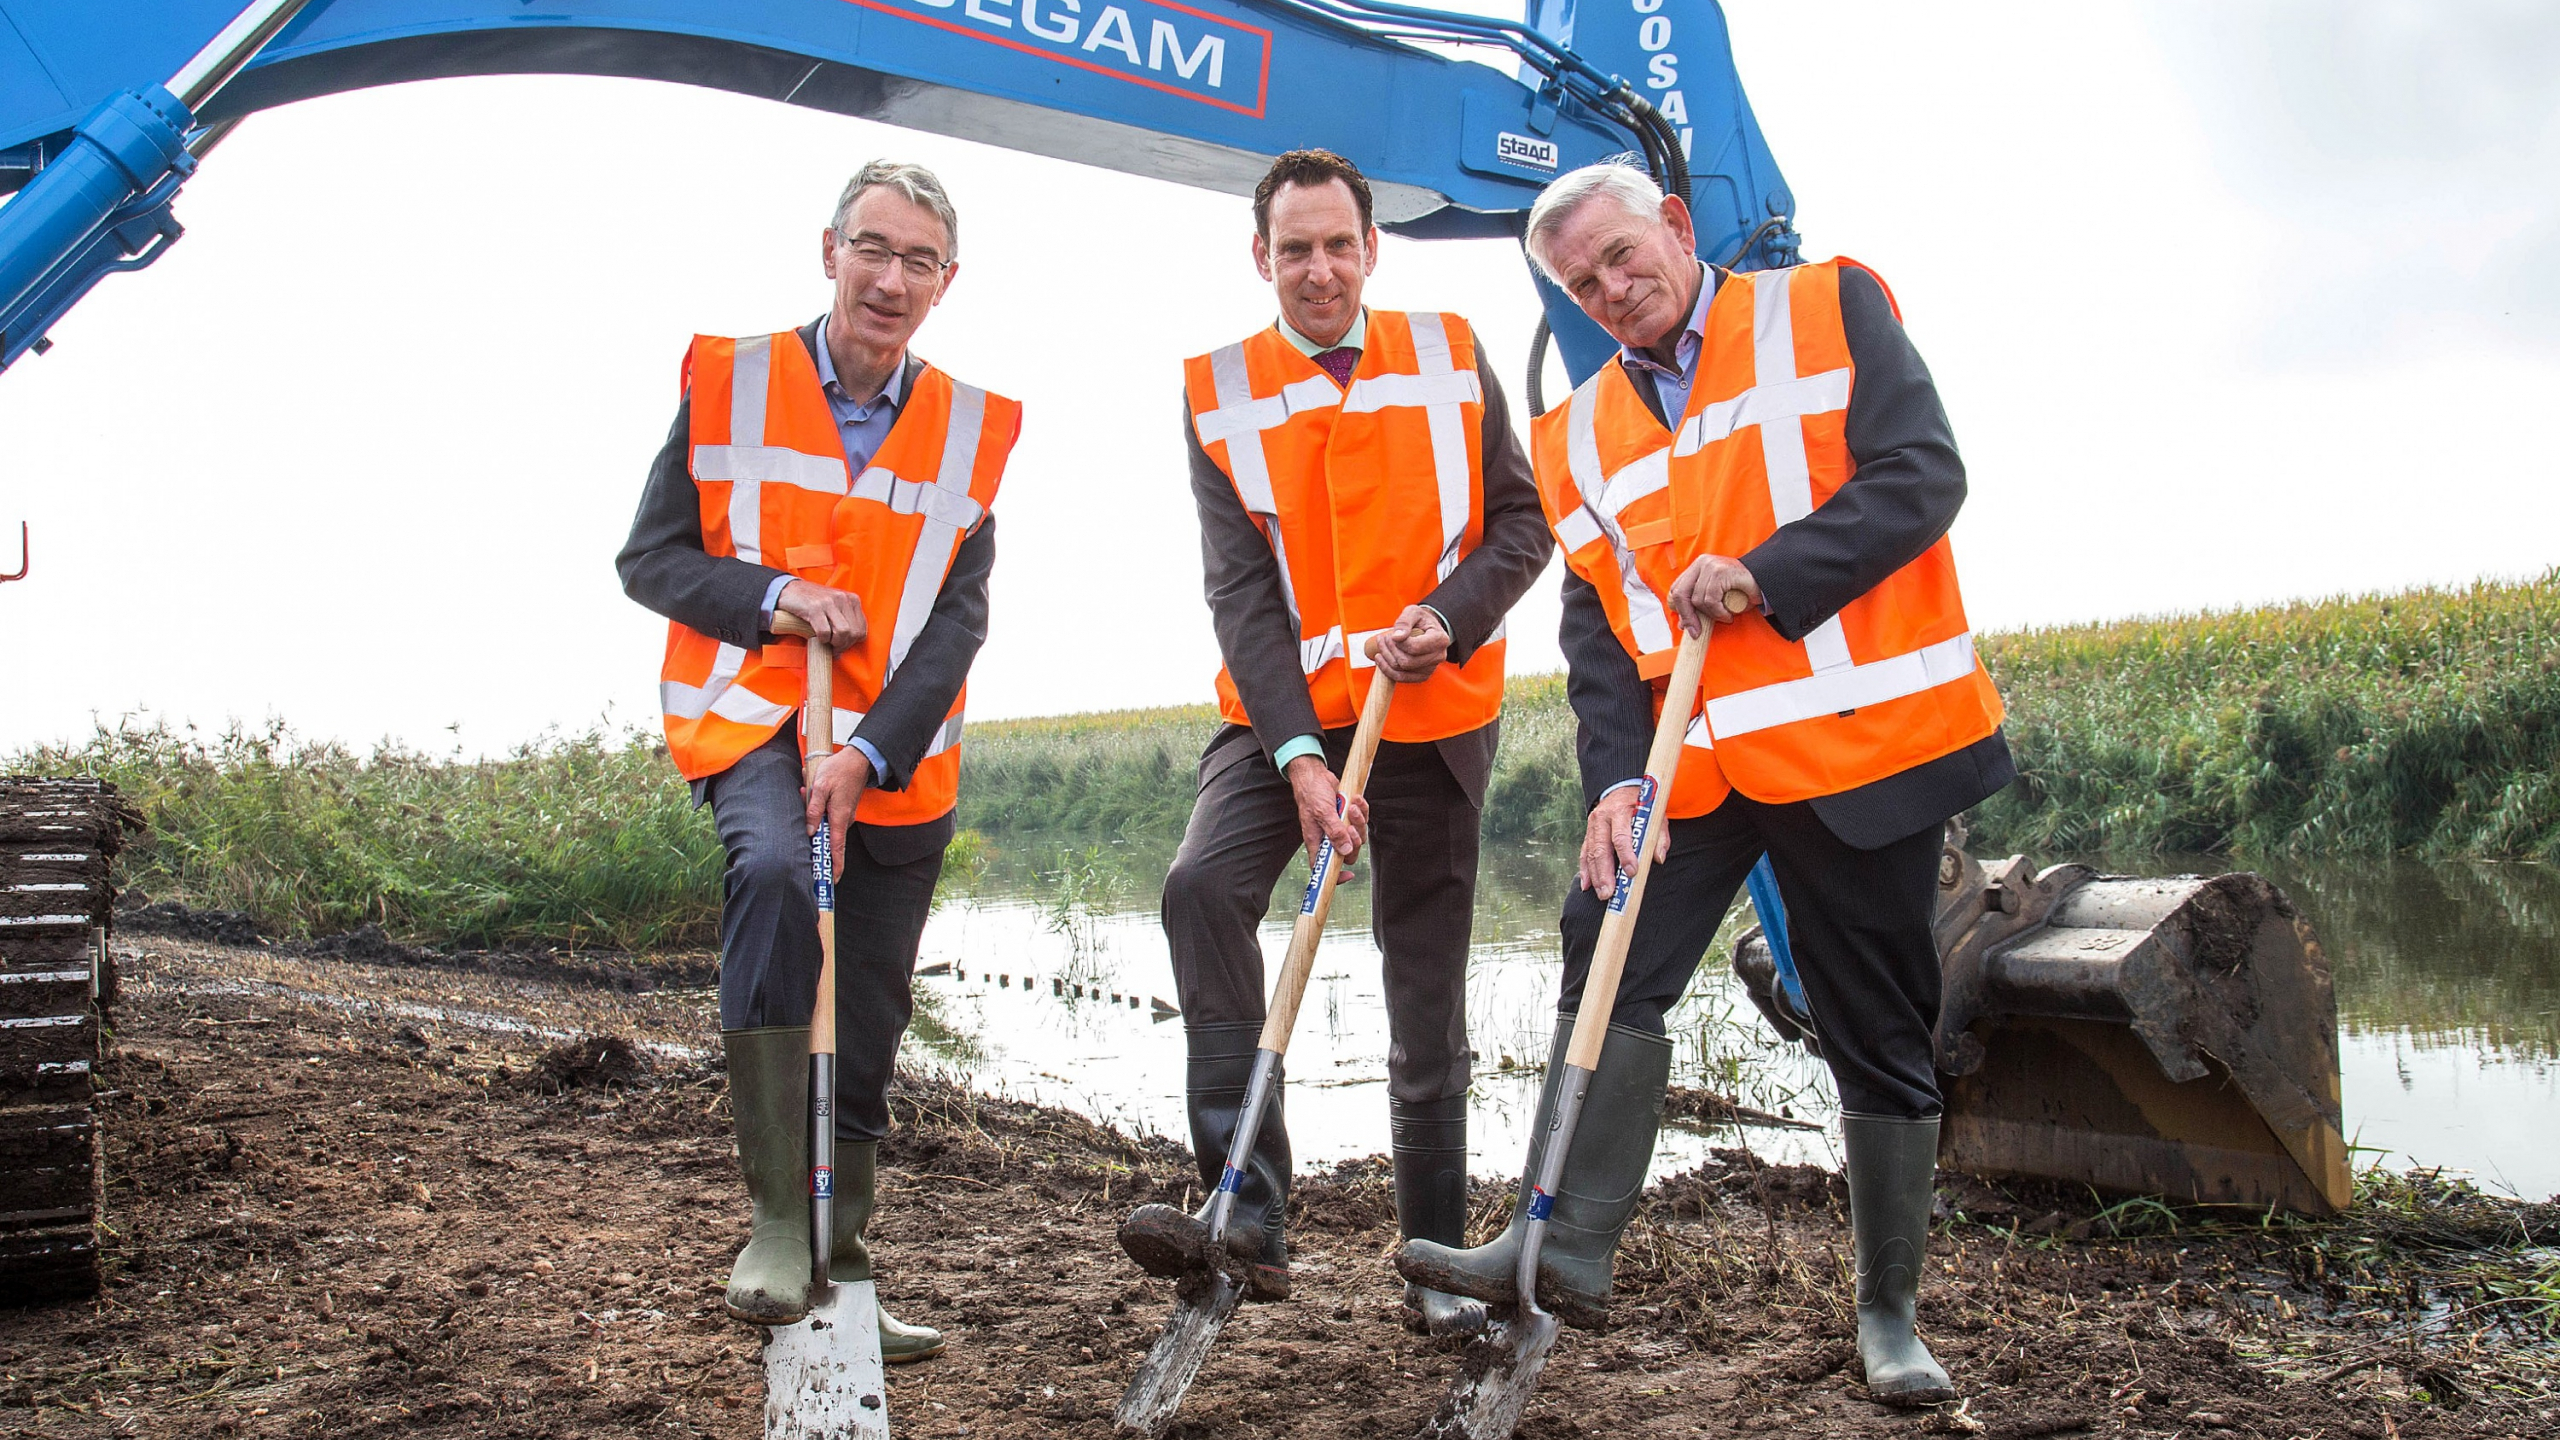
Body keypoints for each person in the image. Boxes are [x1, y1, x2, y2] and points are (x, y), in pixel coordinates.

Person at [1395, 161, 2013, 1407]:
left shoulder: (1830, 308)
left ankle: (1887, 1314)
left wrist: (1768, 572)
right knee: (1603, 951)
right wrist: (1616, 780)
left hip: (1857, 745)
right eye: (1580, 282)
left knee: (1875, 1024)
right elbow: (1597, 628)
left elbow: (1921, 475)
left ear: (1676, 227)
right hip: (1691, 761)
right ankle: (1559, 1238)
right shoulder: (1573, 433)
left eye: (1624, 258)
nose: (1611, 290)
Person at [1116, 149, 1553, 1339]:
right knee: (1200, 888)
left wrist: (1446, 617)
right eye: (1293, 248)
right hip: (1285, 722)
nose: (1318, 268)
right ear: (1261, 257)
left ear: (1373, 248)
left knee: (1426, 987)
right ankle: (1247, 1210)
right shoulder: (1216, 389)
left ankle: (1430, 1264)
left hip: (1434, 717)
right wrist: (1300, 758)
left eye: (1337, 243)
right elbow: (1242, 598)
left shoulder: (1452, 352)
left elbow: (1523, 527)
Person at [616, 160, 1020, 1363]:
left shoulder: (967, 425)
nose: (889, 279)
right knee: (782, 881)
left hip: (896, 752)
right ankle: (778, 1221)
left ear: (948, 284)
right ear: (828, 249)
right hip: (750, 715)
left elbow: (958, 618)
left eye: (918, 261)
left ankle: (847, 1258)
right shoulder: (731, 386)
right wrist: (777, 593)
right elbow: (651, 562)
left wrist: (873, 752)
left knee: (877, 998)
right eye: (872, 249)